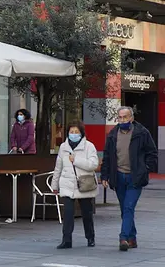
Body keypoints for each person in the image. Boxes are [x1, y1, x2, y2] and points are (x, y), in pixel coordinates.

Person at [101, 106, 158, 251]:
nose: (122, 120)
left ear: (131, 118)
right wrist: (105, 175)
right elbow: (107, 156)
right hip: (118, 177)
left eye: (125, 117)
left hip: (135, 177)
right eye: (120, 117)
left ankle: (123, 238)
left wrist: (145, 169)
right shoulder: (113, 135)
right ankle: (132, 238)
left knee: (128, 207)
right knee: (124, 209)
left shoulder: (142, 133)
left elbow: (152, 153)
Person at [51, 121, 98, 249]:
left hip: (83, 184)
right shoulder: (63, 147)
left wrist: (76, 160)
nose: (74, 134)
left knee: (87, 213)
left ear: (81, 133)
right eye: (71, 132)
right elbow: (58, 167)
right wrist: (54, 185)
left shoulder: (89, 146)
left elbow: (93, 164)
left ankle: (90, 237)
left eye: (76, 132)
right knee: (68, 213)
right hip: (67, 184)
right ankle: (66, 240)